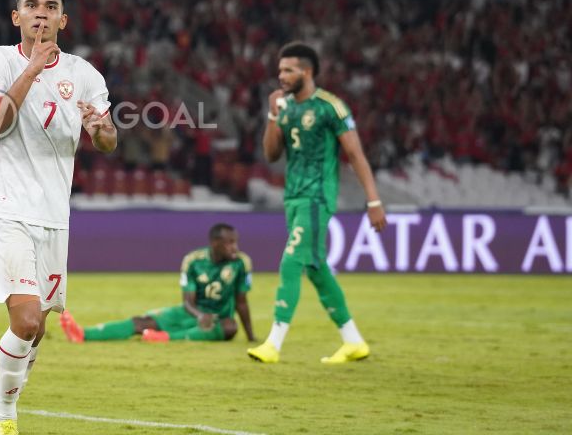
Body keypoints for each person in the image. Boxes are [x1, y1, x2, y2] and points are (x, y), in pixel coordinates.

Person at [0, 0, 117, 435]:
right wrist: (32, 68)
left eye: (50, 6)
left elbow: (110, 141)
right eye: (31, 5)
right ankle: (8, 419)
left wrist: (99, 128)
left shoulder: (84, 75)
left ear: (63, 19)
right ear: (16, 17)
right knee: (26, 319)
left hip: (55, 216)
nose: (40, 12)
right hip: (6, 207)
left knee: (39, 328)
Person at [247, 42, 386, 365]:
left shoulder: (330, 107)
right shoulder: (286, 106)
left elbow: (355, 154)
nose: (280, 76)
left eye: (288, 70)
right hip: (293, 197)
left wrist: (374, 200)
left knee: (291, 262)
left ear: (306, 72)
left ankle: (273, 343)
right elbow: (271, 155)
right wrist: (272, 115)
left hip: (317, 196)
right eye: (279, 70)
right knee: (316, 268)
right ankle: (353, 342)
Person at [59, 223, 254, 343]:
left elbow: (241, 302)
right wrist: (201, 316)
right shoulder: (193, 261)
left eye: (235, 242)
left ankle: (166, 338)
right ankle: (84, 334)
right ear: (215, 243)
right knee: (142, 322)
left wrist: (251, 336)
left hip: (219, 319)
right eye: (230, 242)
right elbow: (187, 301)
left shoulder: (241, 263)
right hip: (191, 312)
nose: (235, 247)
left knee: (230, 327)